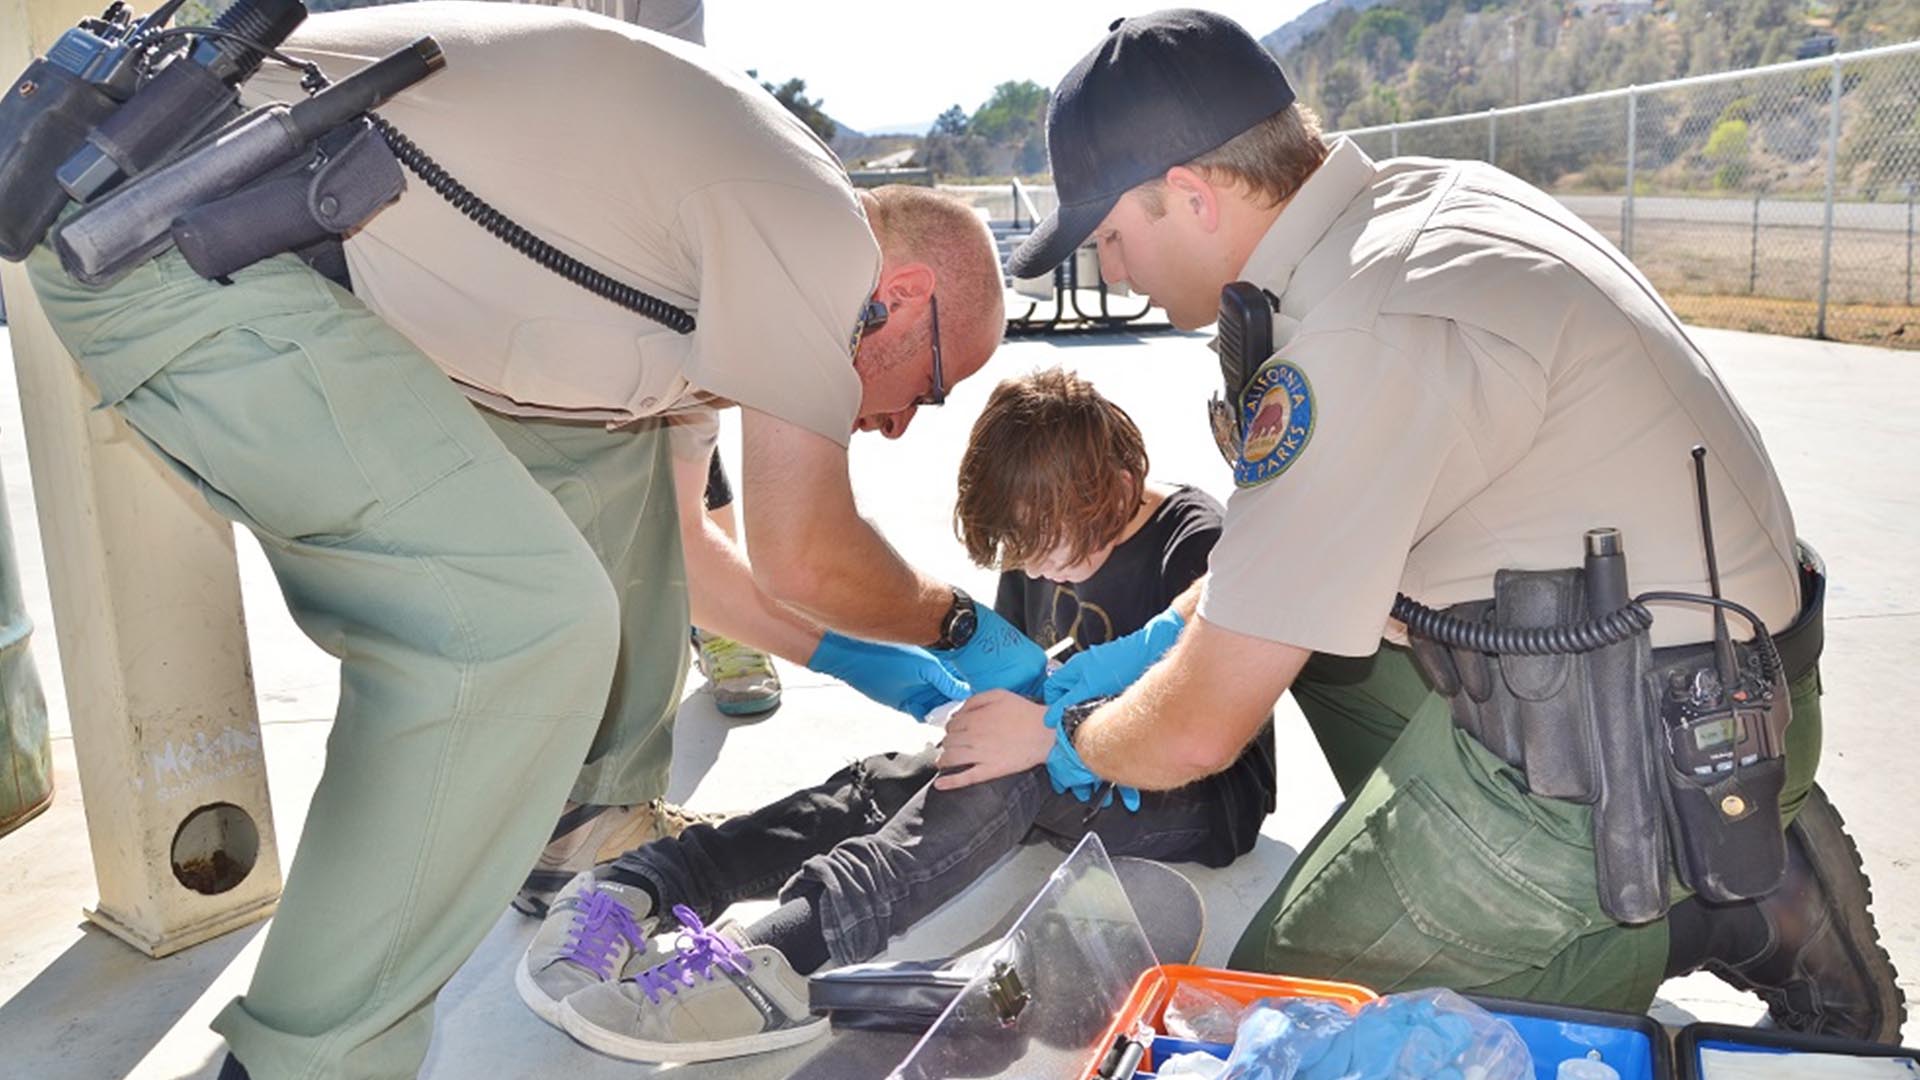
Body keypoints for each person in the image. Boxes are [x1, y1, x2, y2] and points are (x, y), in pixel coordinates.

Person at [19, 4, 1046, 1077]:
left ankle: (577, 826)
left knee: (614, 470)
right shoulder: (811, 227)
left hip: (250, 245)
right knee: (512, 623)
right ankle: (303, 1059)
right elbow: (808, 553)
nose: (897, 424)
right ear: (907, 294)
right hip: (175, 243)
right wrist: (966, 637)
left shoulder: (710, 292)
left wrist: (869, 662)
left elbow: (697, 566)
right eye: (929, 387)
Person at [986, 8, 1904, 1041]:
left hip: (1632, 760)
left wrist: (1066, 736)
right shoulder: (1419, 204)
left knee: (1293, 1030)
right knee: (1315, 647)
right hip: (1720, 686)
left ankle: (1700, 903)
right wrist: (1128, 667)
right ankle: (1685, 882)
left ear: (1193, 196)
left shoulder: (1356, 333)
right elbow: (1264, 578)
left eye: (1112, 235)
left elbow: (1201, 727)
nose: (1112, 271)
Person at [512, 367, 1277, 1064]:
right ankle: (654, 875)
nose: (1039, 569)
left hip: (1196, 790)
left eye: (1052, 547)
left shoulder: (1192, 540)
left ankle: (778, 959)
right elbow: (1031, 686)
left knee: (1008, 777)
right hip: (1079, 754)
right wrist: (980, 708)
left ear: (1114, 482)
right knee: (900, 778)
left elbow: (1188, 705)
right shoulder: (1040, 544)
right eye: (1023, 551)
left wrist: (1042, 733)